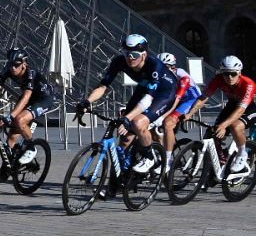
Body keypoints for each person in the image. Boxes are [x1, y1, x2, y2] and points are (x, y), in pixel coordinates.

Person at [75, 33, 177, 174]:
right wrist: (86, 102)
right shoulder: (119, 61)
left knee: (137, 123)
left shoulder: (154, 66)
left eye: (134, 54)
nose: (130, 57)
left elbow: (148, 99)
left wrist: (128, 117)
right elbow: (103, 87)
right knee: (124, 140)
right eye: (126, 53)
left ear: (144, 54)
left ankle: (149, 157)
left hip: (163, 93)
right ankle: (116, 183)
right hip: (144, 88)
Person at [0, 47, 57, 168]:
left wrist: (11, 116)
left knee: (19, 120)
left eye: (16, 65)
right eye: (10, 64)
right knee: (11, 137)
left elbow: (26, 97)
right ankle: (8, 169)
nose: (12, 68)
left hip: (43, 99)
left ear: (24, 64)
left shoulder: (31, 73)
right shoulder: (8, 70)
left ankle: (31, 148)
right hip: (29, 98)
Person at [185, 56, 253, 178]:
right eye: (226, 74)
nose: (229, 77)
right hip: (232, 105)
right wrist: (189, 114)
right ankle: (221, 160)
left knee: (235, 126)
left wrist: (223, 125)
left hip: (250, 107)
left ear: (239, 73)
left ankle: (242, 154)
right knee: (212, 132)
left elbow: (241, 110)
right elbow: (203, 98)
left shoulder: (248, 84)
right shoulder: (218, 79)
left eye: (233, 74)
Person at [157, 52, 201, 169]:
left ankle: (168, 160)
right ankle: (167, 147)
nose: (162, 70)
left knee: (167, 123)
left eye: (165, 67)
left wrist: (162, 116)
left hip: (190, 100)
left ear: (173, 67)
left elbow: (176, 101)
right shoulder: (160, 76)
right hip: (177, 99)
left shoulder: (182, 76)